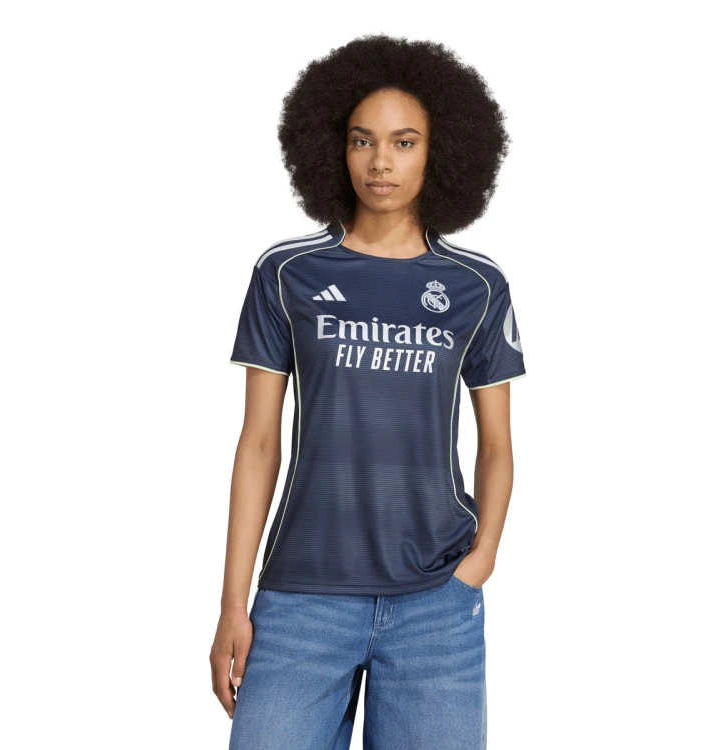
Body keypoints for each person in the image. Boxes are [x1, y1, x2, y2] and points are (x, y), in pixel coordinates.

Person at [210, 33, 527, 749]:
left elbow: (497, 446)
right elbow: (258, 443)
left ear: (439, 151)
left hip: (435, 605)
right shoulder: (286, 273)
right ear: (334, 147)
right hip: (301, 598)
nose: (381, 162)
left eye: (404, 142)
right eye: (362, 141)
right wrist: (233, 602)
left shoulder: (477, 286)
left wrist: (479, 563)